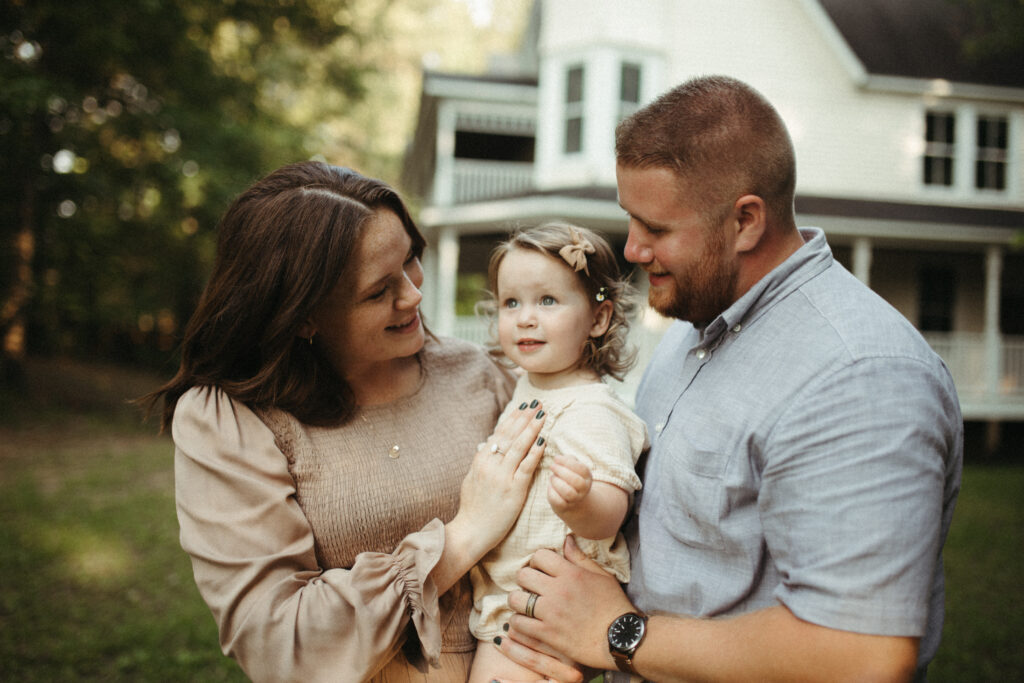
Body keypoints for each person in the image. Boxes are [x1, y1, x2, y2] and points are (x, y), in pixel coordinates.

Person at [496, 75, 964, 682]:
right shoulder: (695, 326)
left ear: (745, 222)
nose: (632, 250)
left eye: (656, 229)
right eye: (630, 221)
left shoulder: (860, 376)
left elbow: (861, 656)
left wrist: (617, 633)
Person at [142, 161, 550, 682]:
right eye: (378, 291)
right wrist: (464, 536)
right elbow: (277, 640)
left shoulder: (474, 371)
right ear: (303, 315)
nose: (413, 295)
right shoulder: (232, 419)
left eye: (411, 261)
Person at [466, 222, 647, 683]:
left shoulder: (591, 409)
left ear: (598, 319)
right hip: (514, 601)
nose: (526, 317)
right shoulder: (528, 387)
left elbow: (611, 512)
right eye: (512, 302)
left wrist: (583, 502)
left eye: (547, 300)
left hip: (550, 611)